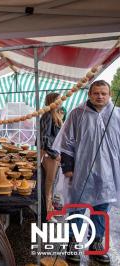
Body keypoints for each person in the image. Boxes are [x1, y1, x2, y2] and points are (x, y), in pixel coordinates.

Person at [57, 80, 120, 264]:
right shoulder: (78, 114)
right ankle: (73, 243)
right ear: (89, 94)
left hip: (107, 174)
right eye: (96, 93)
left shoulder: (117, 115)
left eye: (103, 93)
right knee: (77, 207)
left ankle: (96, 244)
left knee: (101, 209)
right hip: (81, 172)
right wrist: (68, 168)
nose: (100, 96)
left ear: (109, 95)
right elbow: (66, 142)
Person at [39, 93, 65, 220]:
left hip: (54, 154)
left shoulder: (55, 115)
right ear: (52, 101)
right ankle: (47, 213)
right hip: (50, 156)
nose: (61, 101)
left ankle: (50, 209)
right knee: (48, 185)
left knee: (51, 184)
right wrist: (55, 155)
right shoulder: (47, 115)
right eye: (58, 99)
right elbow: (44, 139)